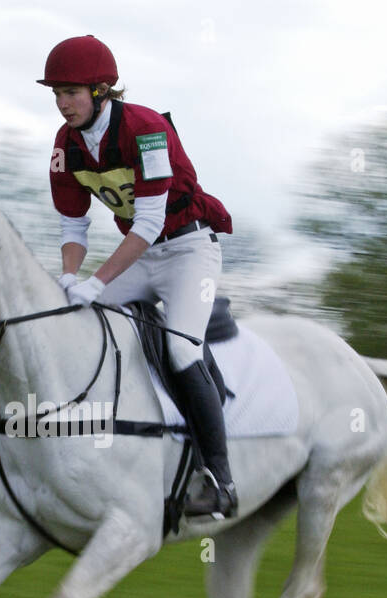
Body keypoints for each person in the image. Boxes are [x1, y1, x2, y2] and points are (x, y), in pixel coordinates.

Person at [39, 34, 238, 519]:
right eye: (57, 93)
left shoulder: (146, 129)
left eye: (72, 92)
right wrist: (70, 277)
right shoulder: (66, 146)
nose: (63, 103)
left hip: (189, 250)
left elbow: (148, 224)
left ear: (102, 90)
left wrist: (97, 282)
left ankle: (221, 481)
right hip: (143, 256)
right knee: (77, 322)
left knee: (180, 348)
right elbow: (73, 224)